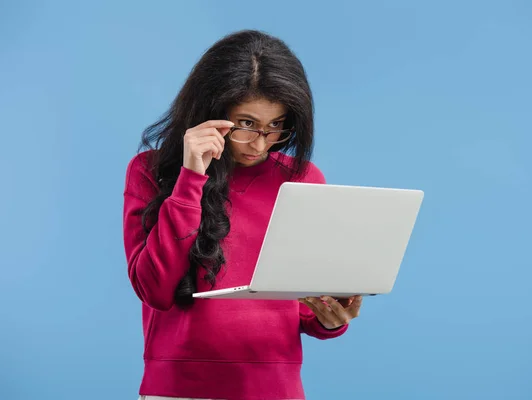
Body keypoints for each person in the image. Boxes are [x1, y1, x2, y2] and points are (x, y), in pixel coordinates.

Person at [122, 29, 363, 400]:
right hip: (178, 390)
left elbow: (299, 306)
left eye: (276, 126)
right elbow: (154, 289)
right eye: (246, 124)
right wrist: (190, 178)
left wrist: (329, 319)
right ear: (210, 113)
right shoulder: (149, 170)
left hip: (276, 390)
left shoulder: (301, 179)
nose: (260, 144)